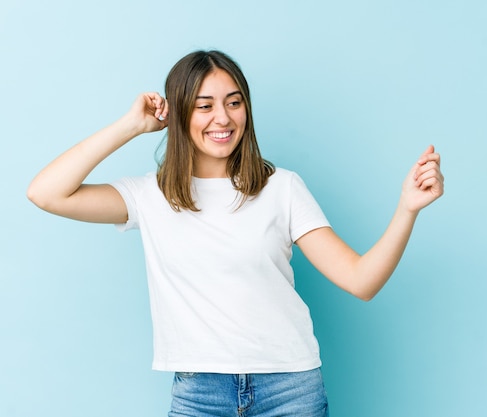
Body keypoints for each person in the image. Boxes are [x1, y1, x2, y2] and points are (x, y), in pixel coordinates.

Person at [27, 50, 444, 417]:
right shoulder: (150, 196)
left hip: (290, 389)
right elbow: (45, 193)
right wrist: (130, 126)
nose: (222, 118)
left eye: (233, 102)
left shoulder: (282, 187)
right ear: (179, 112)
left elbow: (361, 280)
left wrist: (407, 208)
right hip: (199, 393)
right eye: (204, 106)